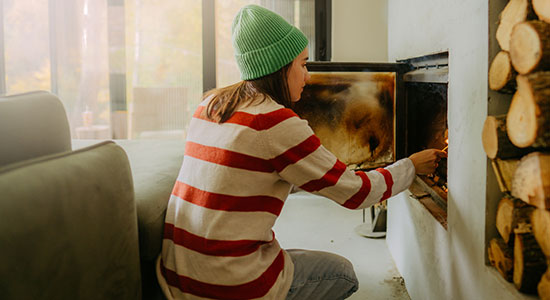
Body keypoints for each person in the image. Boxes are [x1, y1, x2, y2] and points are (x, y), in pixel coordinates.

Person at [156, 4, 446, 300]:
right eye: (303, 64)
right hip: (229, 285)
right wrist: (410, 166)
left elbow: (242, 176)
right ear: (281, 67)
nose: (307, 76)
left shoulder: (211, 104)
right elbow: (357, 194)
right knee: (342, 274)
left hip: (178, 276)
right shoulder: (274, 122)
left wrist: (317, 172)